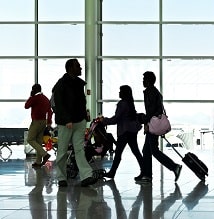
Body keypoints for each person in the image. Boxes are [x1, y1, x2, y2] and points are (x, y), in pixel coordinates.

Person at [52, 58, 97, 187]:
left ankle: (86, 176)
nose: (81, 68)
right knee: (62, 151)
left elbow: (81, 102)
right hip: (66, 123)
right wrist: (67, 120)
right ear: (70, 68)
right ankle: (61, 177)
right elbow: (58, 104)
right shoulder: (61, 84)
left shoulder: (78, 84)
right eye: (78, 66)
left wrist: (84, 116)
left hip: (79, 121)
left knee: (79, 150)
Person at [138, 71, 182, 183]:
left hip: (152, 124)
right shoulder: (155, 91)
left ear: (148, 80)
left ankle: (174, 167)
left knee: (154, 151)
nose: (142, 81)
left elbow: (151, 111)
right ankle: (146, 174)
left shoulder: (150, 92)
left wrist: (146, 123)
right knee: (146, 151)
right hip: (154, 123)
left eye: (144, 79)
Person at [100, 85, 144, 179]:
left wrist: (104, 121)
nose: (119, 93)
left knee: (118, 153)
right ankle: (144, 171)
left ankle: (112, 173)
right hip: (132, 131)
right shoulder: (130, 103)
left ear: (124, 93)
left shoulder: (122, 103)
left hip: (124, 132)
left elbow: (116, 118)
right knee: (136, 151)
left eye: (120, 91)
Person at [24, 84, 53, 168]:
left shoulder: (35, 98)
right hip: (43, 122)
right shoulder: (45, 98)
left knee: (30, 139)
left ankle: (45, 154)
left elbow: (26, 106)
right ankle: (38, 162)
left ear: (34, 90)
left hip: (36, 122)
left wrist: (31, 96)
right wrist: (49, 122)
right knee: (39, 142)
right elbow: (50, 112)